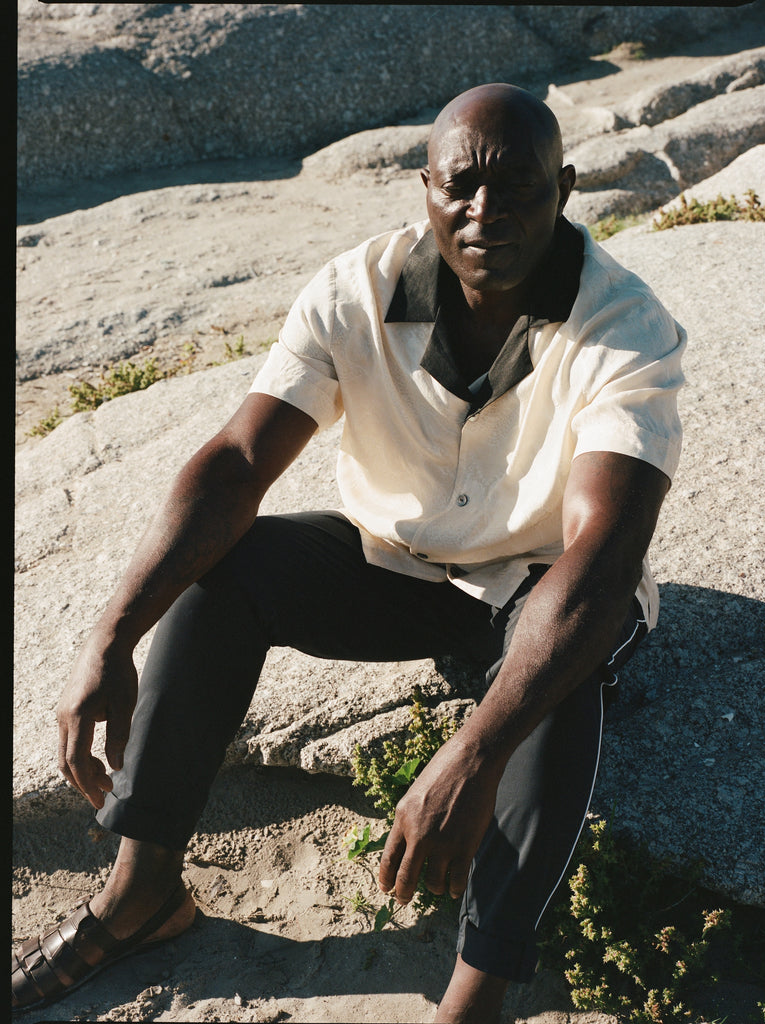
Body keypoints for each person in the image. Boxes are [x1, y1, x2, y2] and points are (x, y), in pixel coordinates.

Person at [12, 82, 685, 1022]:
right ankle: (144, 892)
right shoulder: (355, 291)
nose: (486, 212)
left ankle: (477, 992)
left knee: (553, 684)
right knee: (226, 573)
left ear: (565, 187)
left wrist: (469, 755)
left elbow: (604, 559)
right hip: (398, 565)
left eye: (519, 186)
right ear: (424, 188)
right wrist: (113, 634)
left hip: (545, 582)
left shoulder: (624, 328)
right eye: (461, 186)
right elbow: (240, 460)